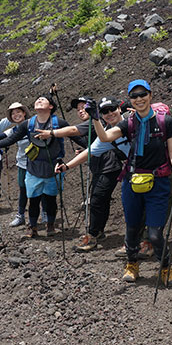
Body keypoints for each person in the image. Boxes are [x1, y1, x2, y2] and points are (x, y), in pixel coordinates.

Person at [90, 79, 172, 286]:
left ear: (150, 95)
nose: (139, 99)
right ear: (130, 99)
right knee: (132, 229)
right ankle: (132, 264)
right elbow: (104, 137)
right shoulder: (128, 123)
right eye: (134, 96)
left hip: (159, 182)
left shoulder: (165, 122)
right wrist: (95, 118)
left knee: (155, 234)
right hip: (132, 181)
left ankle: (166, 268)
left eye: (143, 94)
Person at [0, 94, 71, 238]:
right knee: (33, 199)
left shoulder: (59, 122)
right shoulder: (27, 124)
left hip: (54, 167)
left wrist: (92, 146)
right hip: (33, 167)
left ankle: (50, 224)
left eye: (43, 99)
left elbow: (76, 134)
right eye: (37, 99)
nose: (39, 100)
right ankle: (32, 226)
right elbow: (10, 139)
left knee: (51, 199)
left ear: (51, 106)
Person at [52, 97, 131, 251]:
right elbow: (90, 150)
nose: (109, 113)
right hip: (118, 169)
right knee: (100, 200)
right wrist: (67, 166)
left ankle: (97, 234)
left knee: (98, 200)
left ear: (119, 109)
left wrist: (51, 133)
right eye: (105, 112)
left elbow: (74, 131)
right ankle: (98, 233)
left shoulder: (133, 122)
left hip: (115, 167)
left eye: (112, 109)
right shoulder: (106, 131)